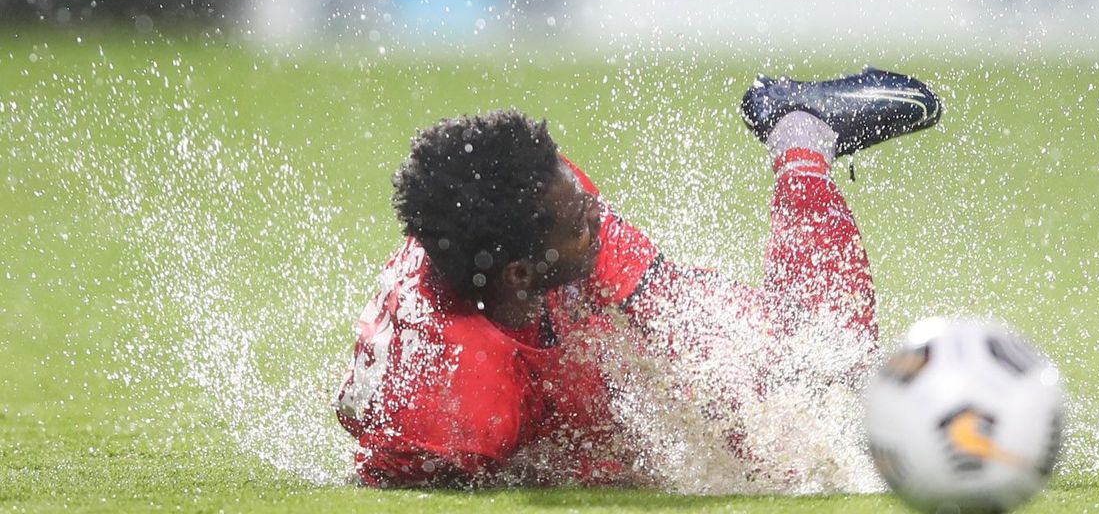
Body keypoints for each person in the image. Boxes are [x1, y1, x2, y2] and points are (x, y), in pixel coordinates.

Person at [334, 68, 943, 487]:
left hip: (536, 300)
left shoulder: (538, 208)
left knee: (806, 365)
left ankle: (801, 134)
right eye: (581, 219)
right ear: (521, 272)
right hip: (485, 383)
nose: (597, 210)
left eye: (576, 189)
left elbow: (586, 237)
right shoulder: (463, 414)